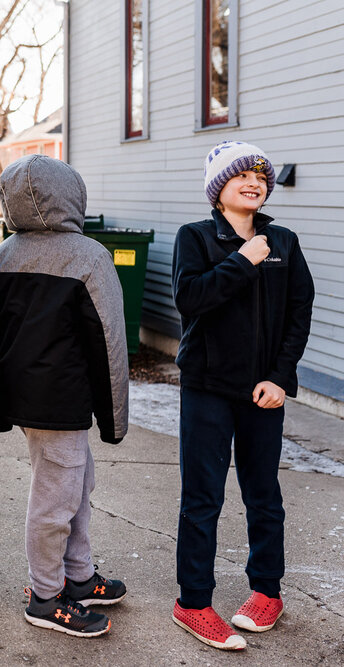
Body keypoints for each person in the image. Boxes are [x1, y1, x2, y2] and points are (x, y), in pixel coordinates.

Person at [170, 141, 314, 651]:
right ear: (219, 189)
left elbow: (299, 313)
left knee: (263, 494)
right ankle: (193, 603)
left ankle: (266, 593)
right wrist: (244, 260)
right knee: (202, 498)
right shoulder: (196, 237)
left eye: (260, 176)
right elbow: (191, 299)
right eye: (241, 176)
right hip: (208, 387)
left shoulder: (285, 241)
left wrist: (280, 377)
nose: (253, 183)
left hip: (262, 392)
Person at [0, 155, 129, 638]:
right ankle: (46, 596)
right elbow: (109, 341)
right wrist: (115, 420)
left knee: (75, 485)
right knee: (56, 497)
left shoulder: (1, 255)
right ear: (72, 196)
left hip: (28, 400)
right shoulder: (89, 255)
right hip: (62, 402)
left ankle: (79, 575)